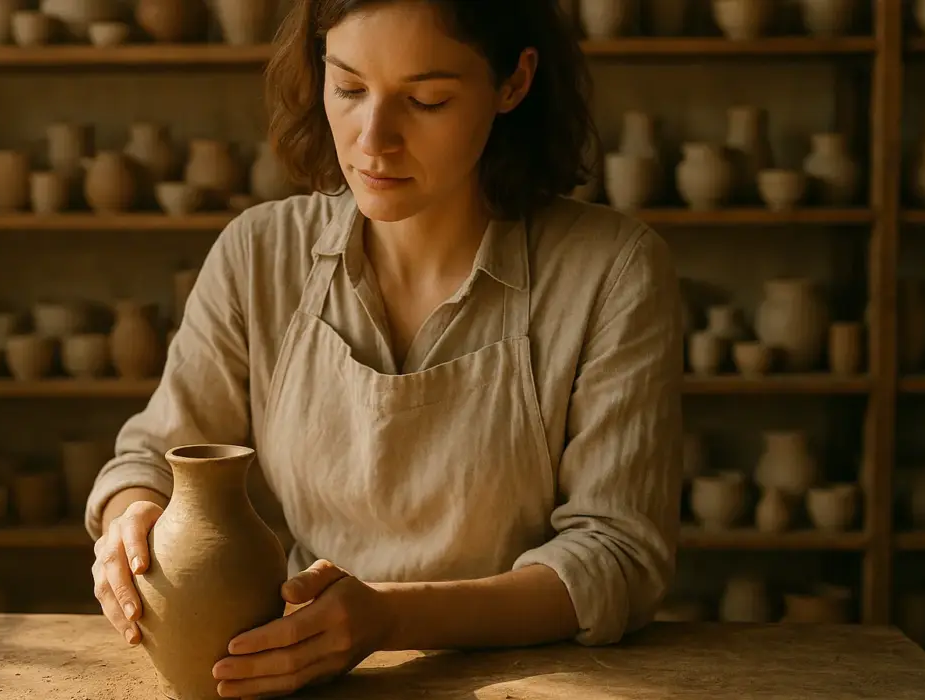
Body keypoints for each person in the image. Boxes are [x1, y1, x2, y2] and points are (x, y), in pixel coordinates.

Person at [87, 0, 684, 696]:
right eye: (348, 88)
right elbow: (152, 457)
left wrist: (392, 618)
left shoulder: (613, 271)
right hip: (302, 673)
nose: (373, 139)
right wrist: (131, 522)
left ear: (513, 83)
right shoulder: (260, 255)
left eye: (426, 100)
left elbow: (617, 555)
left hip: (536, 679)